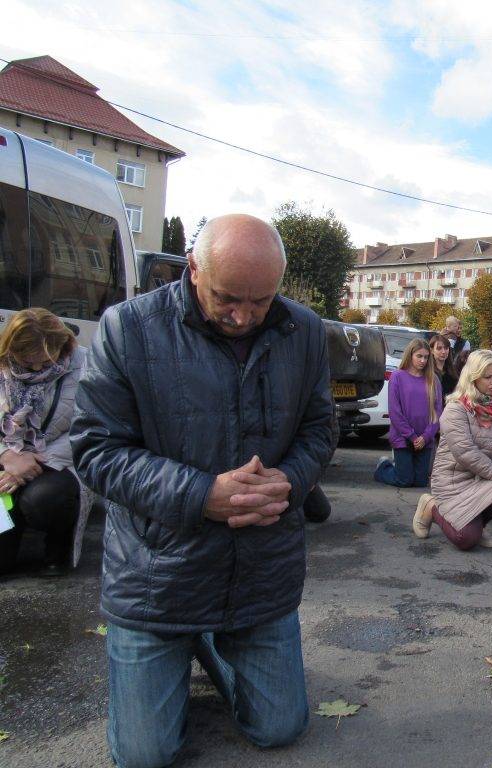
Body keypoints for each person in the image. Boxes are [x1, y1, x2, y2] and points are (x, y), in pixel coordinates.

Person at [71, 214, 334, 768]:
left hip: (260, 570)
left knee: (280, 728)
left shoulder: (304, 330)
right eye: (228, 298)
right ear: (193, 269)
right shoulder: (128, 328)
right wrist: (200, 495)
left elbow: (320, 428)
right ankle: (177, 643)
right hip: (159, 574)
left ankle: (209, 643)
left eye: (262, 301)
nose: (244, 316)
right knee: (145, 756)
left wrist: (292, 478)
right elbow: (96, 449)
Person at [0, 309, 88, 576]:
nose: (38, 369)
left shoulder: (86, 364)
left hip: (57, 460)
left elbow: (89, 428)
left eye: (47, 361)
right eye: (29, 362)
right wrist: (7, 457)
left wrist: (33, 461)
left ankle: (56, 547)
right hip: (8, 460)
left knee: (44, 499)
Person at [413, 350, 492, 549]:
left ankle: (479, 524)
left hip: (482, 478)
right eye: (488, 377)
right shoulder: (456, 409)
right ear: (473, 377)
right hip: (452, 483)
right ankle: (431, 506)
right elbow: (466, 454)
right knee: (466, 540)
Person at [374, 339, 442, 488]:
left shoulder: (433, 380)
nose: (423, 360)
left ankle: (402, 467)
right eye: (419, 356)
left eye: (426, 357)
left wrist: (425, 437)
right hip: (403, 438)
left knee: (420, 482)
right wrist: (411, 436)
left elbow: (437, 412)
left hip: (425, 439)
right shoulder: (398, 376)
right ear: (410, 355)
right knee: (404, 480)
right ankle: (383, 467)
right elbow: (395, 412)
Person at [428, 333, 458, 399]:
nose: (443, 351)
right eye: (439, 348)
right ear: (432, 350)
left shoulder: (452, 372)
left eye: (446, 348)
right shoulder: (428, 372)